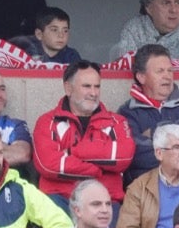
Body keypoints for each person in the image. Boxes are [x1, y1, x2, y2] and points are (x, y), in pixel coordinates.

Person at [32, 60, 137, 207]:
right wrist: (96, 171)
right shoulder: (47, 121)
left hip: (106, 200)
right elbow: (49, 165)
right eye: (87, 86)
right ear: (68, 88)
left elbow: (124, 156)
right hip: (60, 199)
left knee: (114, 226)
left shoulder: (117, 121)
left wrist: (71, 152)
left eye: (97, 87)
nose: (93, 93)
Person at [119, 46, 179, 182]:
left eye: (170, 70)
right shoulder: (128, 112)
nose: (167, 76)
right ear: (141, 77)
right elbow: (135, 154)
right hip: (148, 192)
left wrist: (154, 132)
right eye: (160, 71)